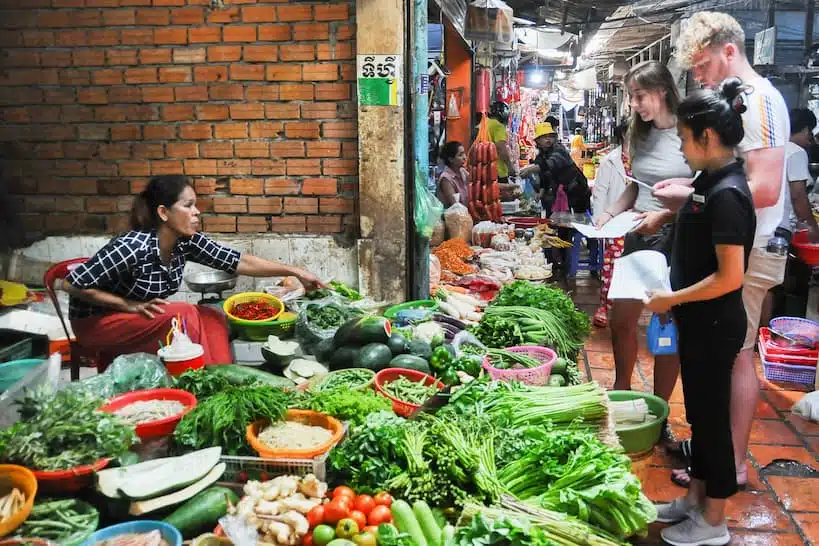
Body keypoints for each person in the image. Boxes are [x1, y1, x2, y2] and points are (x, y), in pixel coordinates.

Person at [654, 11, 789, 490]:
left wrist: (692, 198)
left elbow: (765, 188)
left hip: (748, 250)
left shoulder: (763, 103)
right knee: (720, 362)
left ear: (729, 51)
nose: (700, 76)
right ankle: (715, 463)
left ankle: (727, 468)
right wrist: (687, 197)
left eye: (705, 65)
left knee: (736, 354)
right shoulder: (736, 104)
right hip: (730, 243)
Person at [645, 78, 755, 546]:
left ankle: (714, 521)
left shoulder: (730, 193)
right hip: (697, 319)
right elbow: (692, 214)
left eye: (686, 140)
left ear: (706, 138)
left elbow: (730, 278)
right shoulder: (708, 182)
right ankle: (694, 500)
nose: (683, 150)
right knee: (699, 414)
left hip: (714, 323)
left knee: (711, 422)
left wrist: (671, 300)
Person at [63, 175, 325, 365]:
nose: (197, 212)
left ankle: (223, 378)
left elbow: (240, 262)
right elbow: (70, 283)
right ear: (164, 213)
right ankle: (200, 383)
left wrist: (297, 271)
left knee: (211, 316)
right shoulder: (133, 246)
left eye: (195, 205)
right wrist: (128, 305)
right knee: (184, 313)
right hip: (96, 323)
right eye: (188, 206)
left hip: (136, 319)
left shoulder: (185, 242)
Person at [595, 60, 692, 411]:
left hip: (677, 237)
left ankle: (659, 405)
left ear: (662, 91)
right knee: (621, 320)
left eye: (639, 96)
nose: (634, 105)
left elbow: (704, 194)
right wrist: (609, 213)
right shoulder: (639, 132)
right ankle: (621, 387)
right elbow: (636, 188)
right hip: (639, 235)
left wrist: (665, 215)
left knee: (667, 326)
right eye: (631, 98)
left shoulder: (690, 131)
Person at [762, 109, 819, 323]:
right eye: (809, 131)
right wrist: (813, 227)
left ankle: (755, 337)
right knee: (771, 284)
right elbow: (798, 196)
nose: (810, 138)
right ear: (803, 129)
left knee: (759, 282)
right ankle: (763, 336)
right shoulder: (796, 152)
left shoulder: (771, 148)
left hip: (760, 224)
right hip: (779, 227)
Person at [520, 122, 590, 274]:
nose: (547, 140)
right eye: (543, 137)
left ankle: (566, 261)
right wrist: (541, 191)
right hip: (562, 194)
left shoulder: (559, 150)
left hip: (576, 192)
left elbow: (551, 165)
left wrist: (531, 168)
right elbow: (544, 175)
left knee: (567, 227)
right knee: (557, 225)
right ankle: (558, 259)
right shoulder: (542, 154)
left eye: (550, 136)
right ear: (537, 141)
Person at [591, 121, 630, 327]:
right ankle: (604, 306)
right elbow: (600, 192)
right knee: (611, 266)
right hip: (614, 222)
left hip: (640, 221)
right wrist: (600, 221)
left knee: (634, 267)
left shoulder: (645, 159)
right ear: (622, 135)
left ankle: (626, 309)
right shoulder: (610, 161)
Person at [486, 101, 517, 183]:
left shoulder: (484, 123)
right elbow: (501, 148)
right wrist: (510, 167)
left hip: (484, 170)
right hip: (498, 171)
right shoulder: (498, 126)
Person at [437, 141, 470, 208]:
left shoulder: (463, 171)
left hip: (465, 215)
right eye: (460, 155)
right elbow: (455, 205)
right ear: (451, 159)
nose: (464, 157)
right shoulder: (446, 179)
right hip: (454, 216)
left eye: (464, 153)